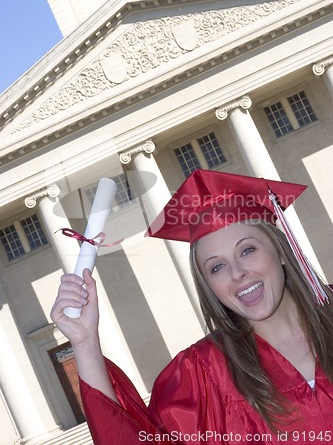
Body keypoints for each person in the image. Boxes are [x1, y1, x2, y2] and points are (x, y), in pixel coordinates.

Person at [51, 169, 333, 444]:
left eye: (247, 250)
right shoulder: (199, 377)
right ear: (208, 284)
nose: (237, 273)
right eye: (217, 267)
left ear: (281, 251)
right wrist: (85, 341)